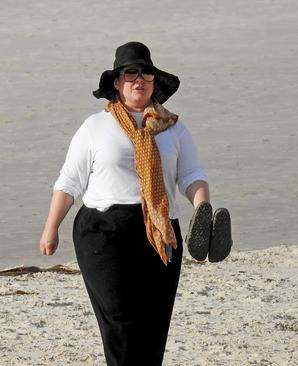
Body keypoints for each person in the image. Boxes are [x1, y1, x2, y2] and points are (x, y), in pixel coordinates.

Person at [39, 41, 229, 365]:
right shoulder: (95, 127)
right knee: (120, 318)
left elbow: (192, 174)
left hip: (160, 230)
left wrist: (201, 209)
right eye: (131, 73)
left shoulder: (174, 127)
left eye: (147, 73)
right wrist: (50, 228)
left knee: (153, 328)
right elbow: (69, 182)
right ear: (117, 82)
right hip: (103, 231)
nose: (139, 79)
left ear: (155, 81)